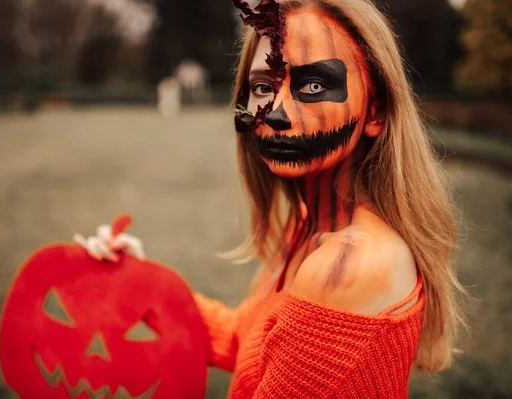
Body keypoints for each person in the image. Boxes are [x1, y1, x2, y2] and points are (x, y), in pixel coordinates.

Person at [74, 0, 466, 397]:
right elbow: (241, 341)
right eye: (262, 87)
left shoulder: (348, 266)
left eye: (313, 85)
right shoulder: (308, 226)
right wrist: (140, 282)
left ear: (376, 110)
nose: (275, 112)